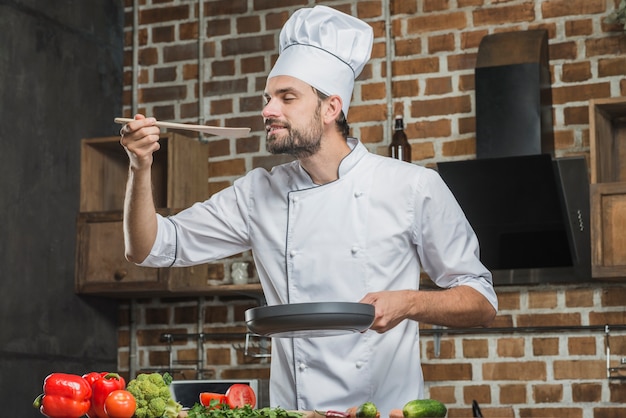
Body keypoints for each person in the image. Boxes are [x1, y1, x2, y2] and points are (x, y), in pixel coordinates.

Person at [120, 5, 497, 416]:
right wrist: (141, 168)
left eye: (287, 98)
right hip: (295, 412)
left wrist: (408, 303)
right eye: (268, 98)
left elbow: (481, 300)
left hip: (383, 412)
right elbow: (148, 247)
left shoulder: (410, 186)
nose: (268, 110)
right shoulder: (258, 194)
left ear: (331, 108)